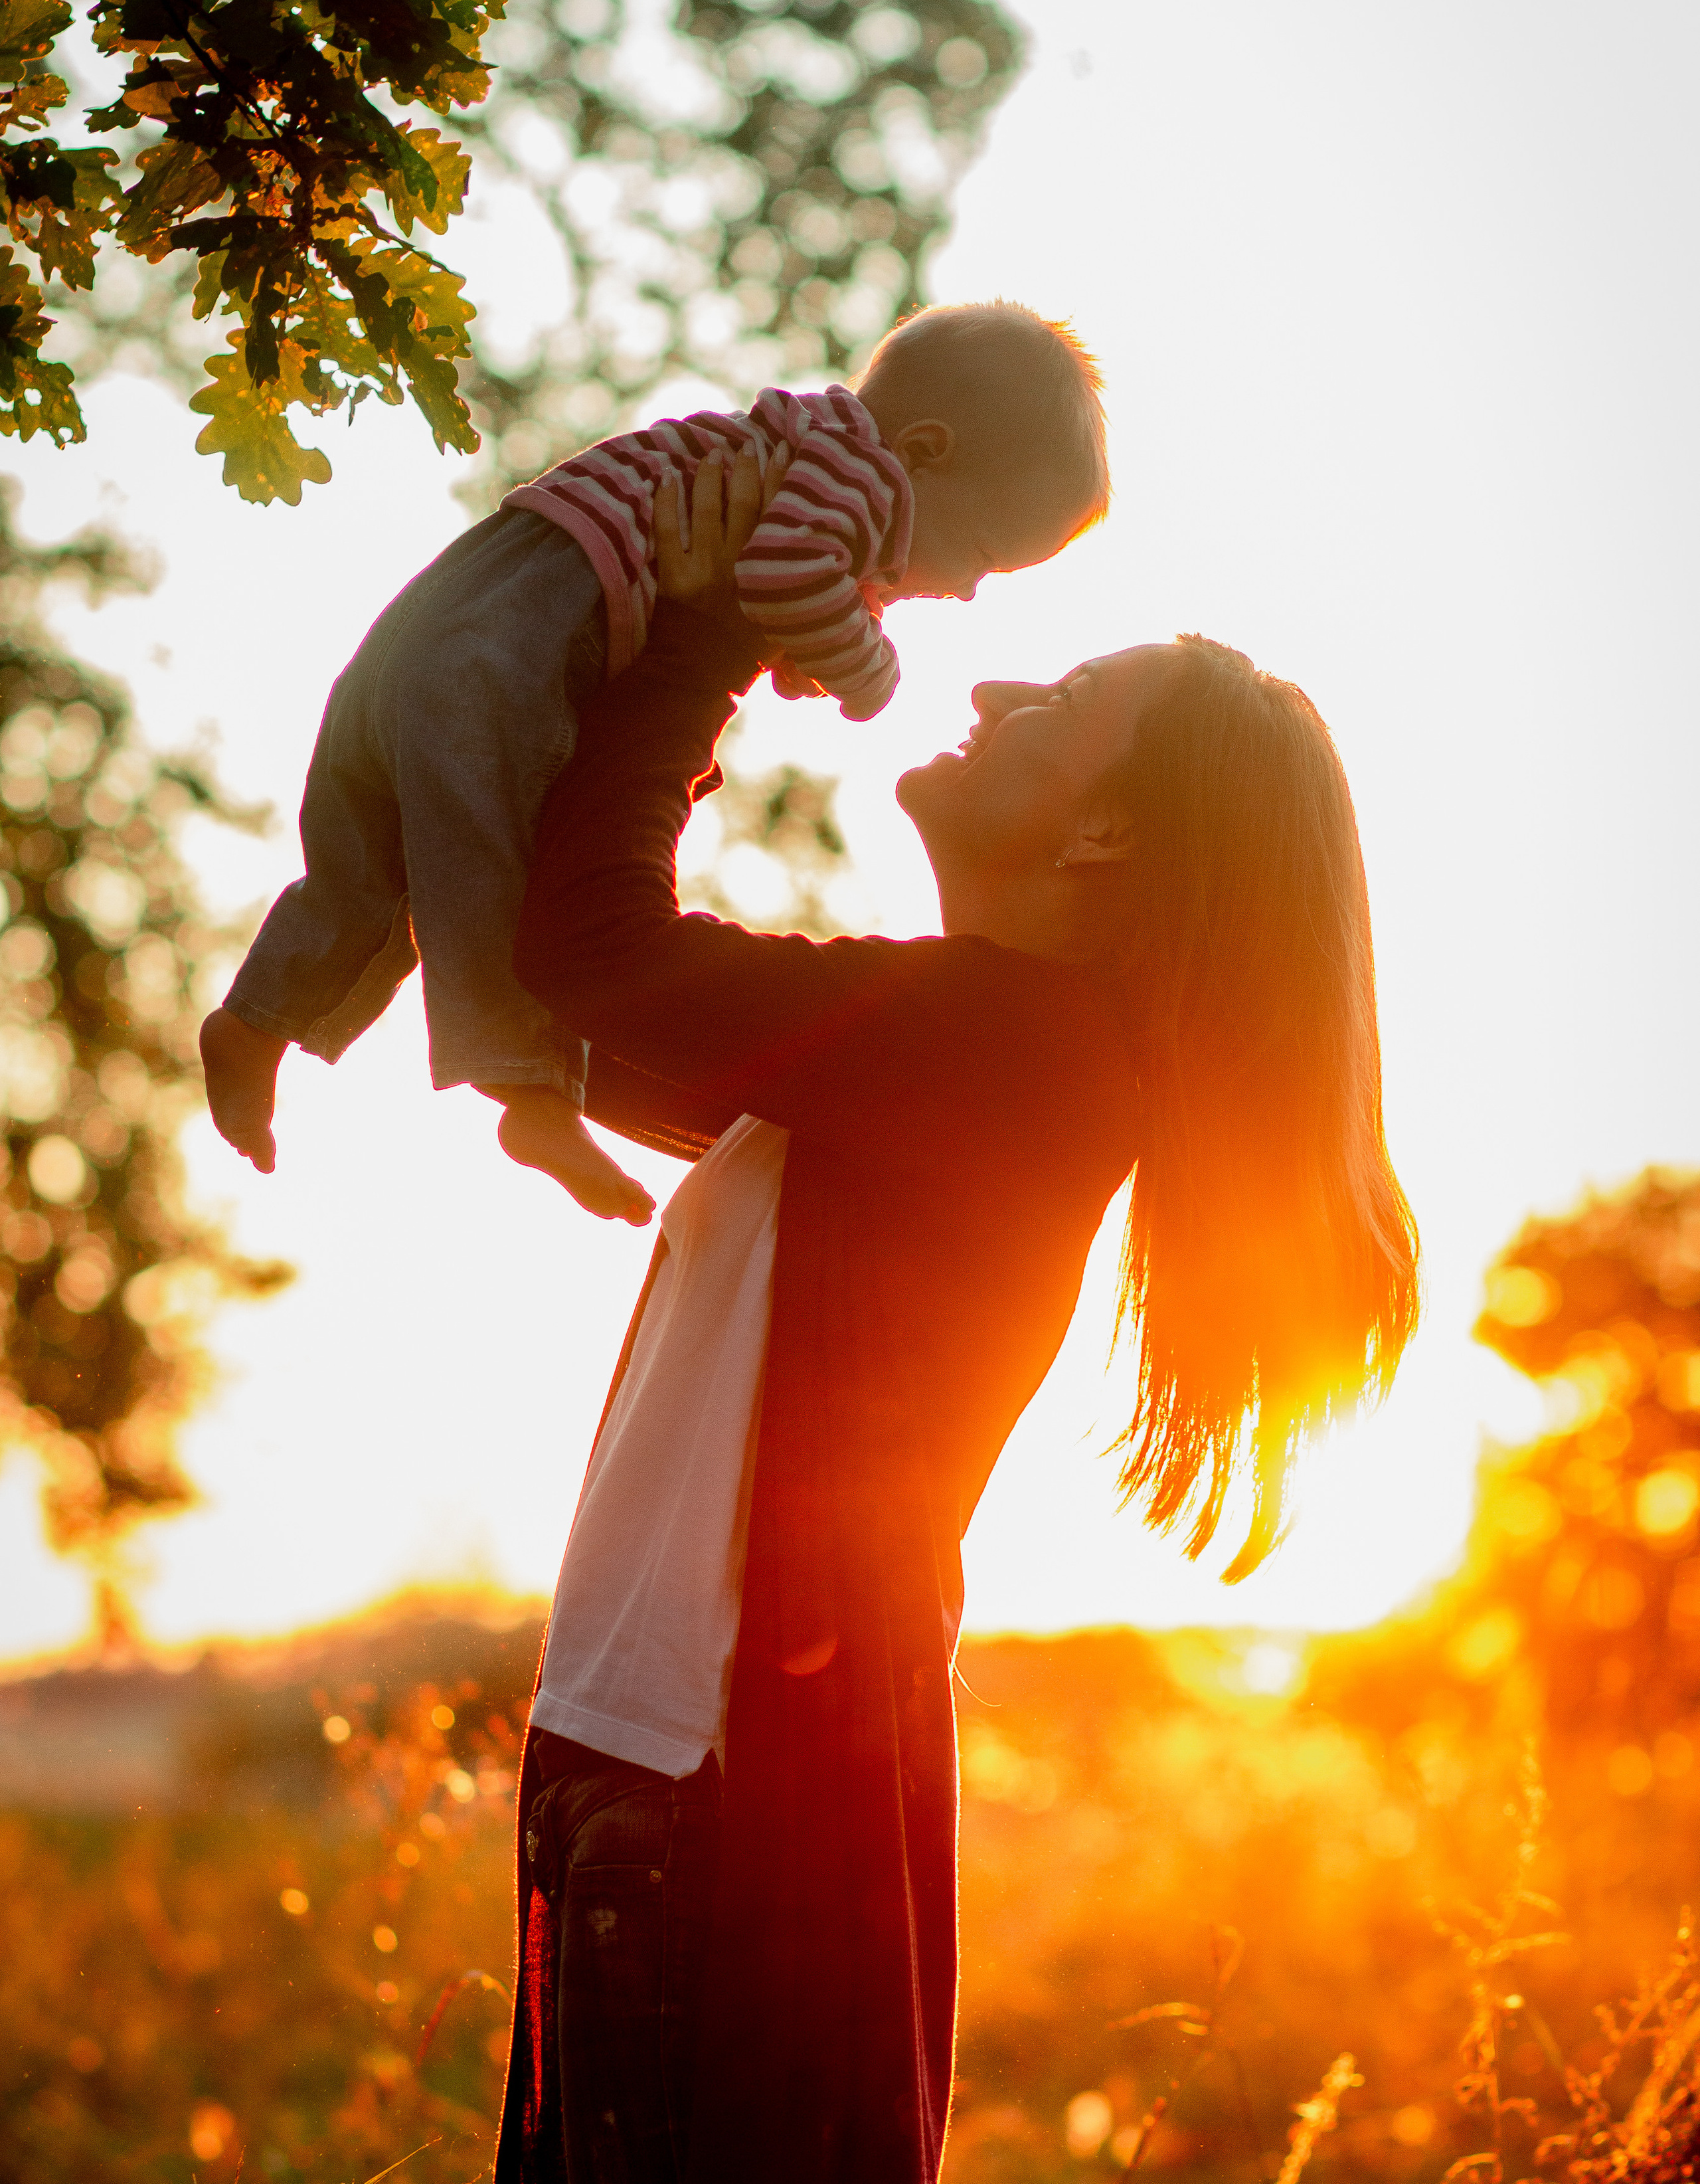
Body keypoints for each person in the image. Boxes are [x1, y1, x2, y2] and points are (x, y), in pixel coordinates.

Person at [494, 446, 1420, 2183]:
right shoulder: (948, 1062)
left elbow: (593, 956)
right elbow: (608, 1026)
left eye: (1064, 694)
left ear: (1105, 831)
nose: (997, 680)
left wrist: (708, 624)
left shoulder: (1012, 1055)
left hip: (701, 1805)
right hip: (645, 1778)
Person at [198, 303, 1109, 1226]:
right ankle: (530, 1091)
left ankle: (261, 1016)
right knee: (482, 858)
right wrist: (868, 672)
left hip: (458, 602)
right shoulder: (860, 481)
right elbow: (783, 577)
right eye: (984, 559)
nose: (962, 591)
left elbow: (778, 575)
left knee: (380, 851)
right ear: (925, 451)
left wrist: (783, 634)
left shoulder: (808, 452)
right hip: (528, 635)